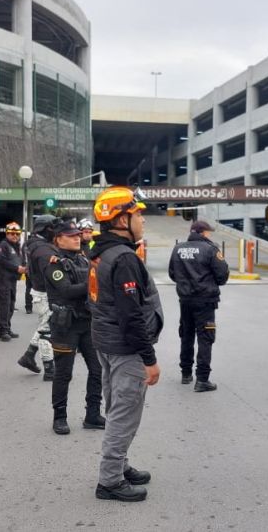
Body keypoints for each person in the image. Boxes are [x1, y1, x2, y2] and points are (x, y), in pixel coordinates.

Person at [90, 187, 161, 502]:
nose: (142, 219)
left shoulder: (102, 251)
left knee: (117, 407)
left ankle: (120, 465)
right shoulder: (124, 258)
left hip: (106, 343)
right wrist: (150, 359)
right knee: (124, 412)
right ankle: (110, 481)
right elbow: (131, 316)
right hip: (124, 348)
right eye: (138, 214)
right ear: (121, 219)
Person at [45, 221, 104, 435]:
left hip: (87, 322)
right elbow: (67, 290)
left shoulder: (82, 259)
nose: (77, 238)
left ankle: (93, 414)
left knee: (97, 370)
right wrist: (94, 283)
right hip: (65, 326)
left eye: (78, 235)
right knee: (63, 374)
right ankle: (59, 417)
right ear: (58, 239)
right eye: (71, 236)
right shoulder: (54, 264)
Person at [168, 220, 229, 391]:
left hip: (185, 300)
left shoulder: (178, 248)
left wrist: (186, 284)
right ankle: (202, 379)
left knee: (186, 335)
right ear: (203, 232)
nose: (209, 235)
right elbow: (222, 275)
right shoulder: (211, 249)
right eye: (208, 232)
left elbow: (172, 273)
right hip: (205, 301)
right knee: (205, 338)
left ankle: (186, 373)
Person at [18, 215, 58, 379]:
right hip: (45, 293)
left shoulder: (35, 244)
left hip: (39, 291)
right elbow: (51, 274)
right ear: (45, 229)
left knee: (44, 326)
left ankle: (28, 355)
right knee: (47, 331)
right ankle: (49, 369)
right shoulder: (42, 250)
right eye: (52, 228)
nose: (55, 232)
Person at [0, 222, 26, 342]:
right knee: (5, 306)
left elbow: (19, 260)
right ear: (7, 234)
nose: (15, 236)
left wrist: (24, 267)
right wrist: (17, 268)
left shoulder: (16, 246)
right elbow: (2, 261)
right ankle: (3, 331)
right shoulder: (3, 245)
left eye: (17, 234)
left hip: (12, 280)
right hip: (3, 280)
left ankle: (7, 328)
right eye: (12, 234)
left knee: (11, 306)